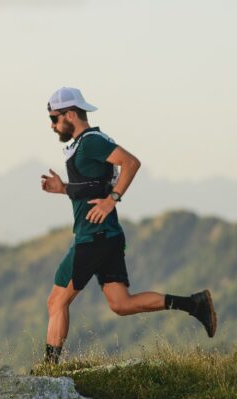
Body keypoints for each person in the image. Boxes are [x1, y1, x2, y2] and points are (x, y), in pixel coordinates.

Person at [40, 86, 217, 364]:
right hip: (107, 236)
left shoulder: (91, 142)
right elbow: (95, 185)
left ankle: (49, 373)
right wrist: (63, 188)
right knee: (121, 304)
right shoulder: (89, 142)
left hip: (93, 237)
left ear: (70, 114)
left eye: (54, 118)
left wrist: (112, 200)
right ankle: (194, 304)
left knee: (56, 301)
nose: (52, 125)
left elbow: (131, 163)